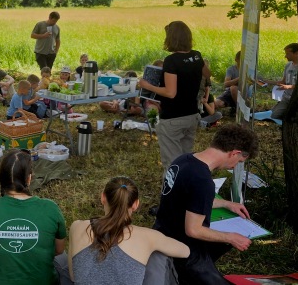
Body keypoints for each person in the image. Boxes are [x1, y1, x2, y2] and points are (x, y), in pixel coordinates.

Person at [153, 124, 259, 284]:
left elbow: (191, 199)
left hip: (162, 232)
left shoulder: (184, 160)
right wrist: (231, 238)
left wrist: (226, 204)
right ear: (234, 153)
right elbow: (193, 230)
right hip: (182, 249)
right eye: (239, 161)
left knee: (222, 243)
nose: (236, 165)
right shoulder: (203, 180)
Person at [68, 177, 190, 284]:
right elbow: (186, 251)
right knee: (158, 256)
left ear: (103, 197)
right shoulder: (148, 237)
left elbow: (73, 276)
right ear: (136, 204)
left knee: (59, 260)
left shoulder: (77, 227)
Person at [0, 150, 67, 284]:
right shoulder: (51, 208)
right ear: (29, 178)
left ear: (1, 178)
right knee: (64, 257)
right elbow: (59, 250)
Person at [138, 21, 210, 168]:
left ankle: (173, 190)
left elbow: (170, 93)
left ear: (171, 38)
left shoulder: (171, 61)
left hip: (172, 117)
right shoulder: (196, 56)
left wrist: (148, 85)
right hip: (191, 114)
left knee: (172, 165)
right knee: (186, 160)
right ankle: (186, 189)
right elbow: (207, 74)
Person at [264, 43, 298, 120]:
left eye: (288, 54)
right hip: (286, 98)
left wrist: (288, 87)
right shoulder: (288, 65)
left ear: (296, 53)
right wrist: (267, 81)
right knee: (274, 115)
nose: (285, 56)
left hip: (297, 99)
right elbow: (283, 81)